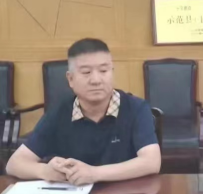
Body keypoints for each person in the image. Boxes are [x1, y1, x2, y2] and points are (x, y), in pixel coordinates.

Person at [6, 38, 161, 185]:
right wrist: (45, 171)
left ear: (112, 72)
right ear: (70, 79)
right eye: (86, 72)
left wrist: (94, 173)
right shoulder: (59, 112)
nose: (96, 80)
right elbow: (14, 163)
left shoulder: (136, 108)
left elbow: (152, 162)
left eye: (104, 70)